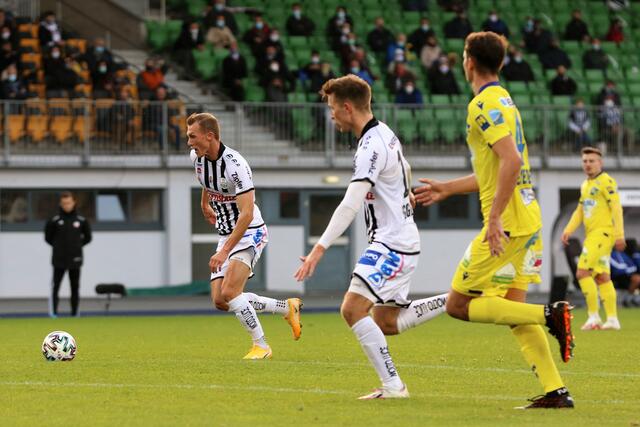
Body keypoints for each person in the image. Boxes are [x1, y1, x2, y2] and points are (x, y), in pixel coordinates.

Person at [414, 31, 575, 409]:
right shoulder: (505, 99)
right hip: (527, 218)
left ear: (468, 60)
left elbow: (512, 161)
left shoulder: (482, 105)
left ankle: (551, 313)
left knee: (458, 304)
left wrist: (494, 219)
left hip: (508, 224)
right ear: (500, 63)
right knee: (512, 311)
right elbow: (498, 169)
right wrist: (449, 189)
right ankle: (556, 391)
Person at [295, 74, 449, 399]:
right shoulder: (385, 134)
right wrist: (404, 196)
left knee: (351, 309)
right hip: (401, 240)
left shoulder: (370, 146)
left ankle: (394, 387)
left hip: (391, 244)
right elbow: (403, 172)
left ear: (348, 107)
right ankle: (454, 299)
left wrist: (318, 249)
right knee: (387, 322)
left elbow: (351, 202)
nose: (331, 115)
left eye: (332, 108)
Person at [187, 113, 303, 359]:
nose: (189, 142)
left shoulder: (235, 165)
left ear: (210, 136)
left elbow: (247, 213)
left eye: (192, 136)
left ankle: (261, 346)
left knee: (230, 292)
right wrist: (204, 203)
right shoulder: (196, 157)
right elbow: (207, 182)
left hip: (250, 232)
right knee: (221, 300)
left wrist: (224, 251)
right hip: (226, 232)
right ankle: (286, 307)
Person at [562, 146, 625, 330]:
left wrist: (620, 234)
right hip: (594, 235)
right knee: (602, 277)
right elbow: (580, 211)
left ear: (600, 163)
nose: (588, 164)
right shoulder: (585, 185)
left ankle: (594, 317)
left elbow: (616, 208)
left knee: (582, 272)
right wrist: (568, 229)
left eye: (592, 161)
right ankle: (612, 319)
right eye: (585, 161)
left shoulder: (606, 181)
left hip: (602, 233)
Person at [45, 191, 92, 318]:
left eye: (69, 203)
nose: (67, 205)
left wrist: (76, 246)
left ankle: (74, 313)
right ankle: (53, 313)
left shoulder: (81, 221)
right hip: (58, 260)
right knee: (56, 287)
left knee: (75, 287)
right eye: (64, 203)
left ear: (74, 203)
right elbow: (48, 238)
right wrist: (59, 247)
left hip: (75, 259)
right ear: (61, 204)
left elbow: (88, 238)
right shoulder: (54, 221)